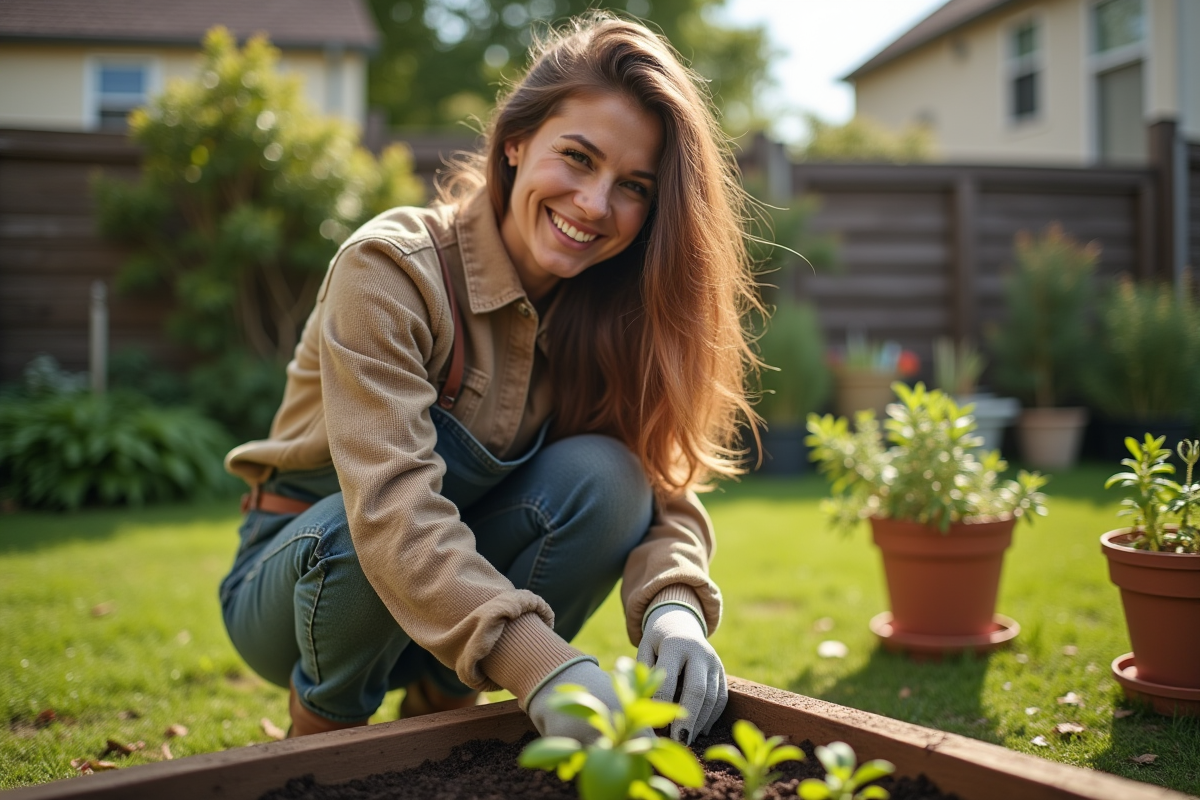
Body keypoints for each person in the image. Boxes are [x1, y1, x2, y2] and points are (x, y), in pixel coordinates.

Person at [219, 11, 760, 746]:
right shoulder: (392, 270)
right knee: (359, 530)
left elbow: (662, 488)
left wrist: (675, 603)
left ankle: (444, 724)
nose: (596, 205)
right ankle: (314, 747)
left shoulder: (607, 310)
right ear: (515, 141)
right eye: (577, 157)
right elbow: (391, 513)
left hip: (449, 600)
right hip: (299, 590)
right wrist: (544, 665)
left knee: (611, 477)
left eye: (633, 186)